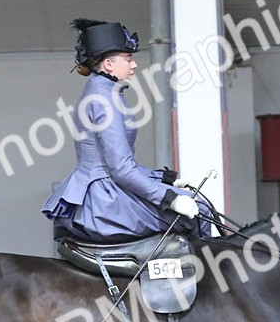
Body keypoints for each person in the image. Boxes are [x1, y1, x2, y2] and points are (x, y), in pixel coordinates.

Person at [43, 18, 212, 243]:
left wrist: (162, 180)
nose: (134, 65)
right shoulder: (104, 100)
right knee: (201, 210)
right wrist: (169, 198)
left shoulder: (102, 91)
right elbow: (120, 169)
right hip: (106, 199)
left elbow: (117, 164)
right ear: (109, 64)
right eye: (128, 58)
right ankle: (202, 275)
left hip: (104, 189)